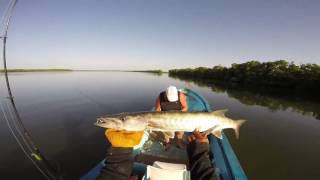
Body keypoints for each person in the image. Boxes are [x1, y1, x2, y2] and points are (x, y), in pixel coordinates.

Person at [96, 129, 219, 180]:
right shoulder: (165, 97)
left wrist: (119, 152)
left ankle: (172, 144)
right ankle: (170, 144)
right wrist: (200, 155)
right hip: (169, 128)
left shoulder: (163, 97)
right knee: (170, 137)